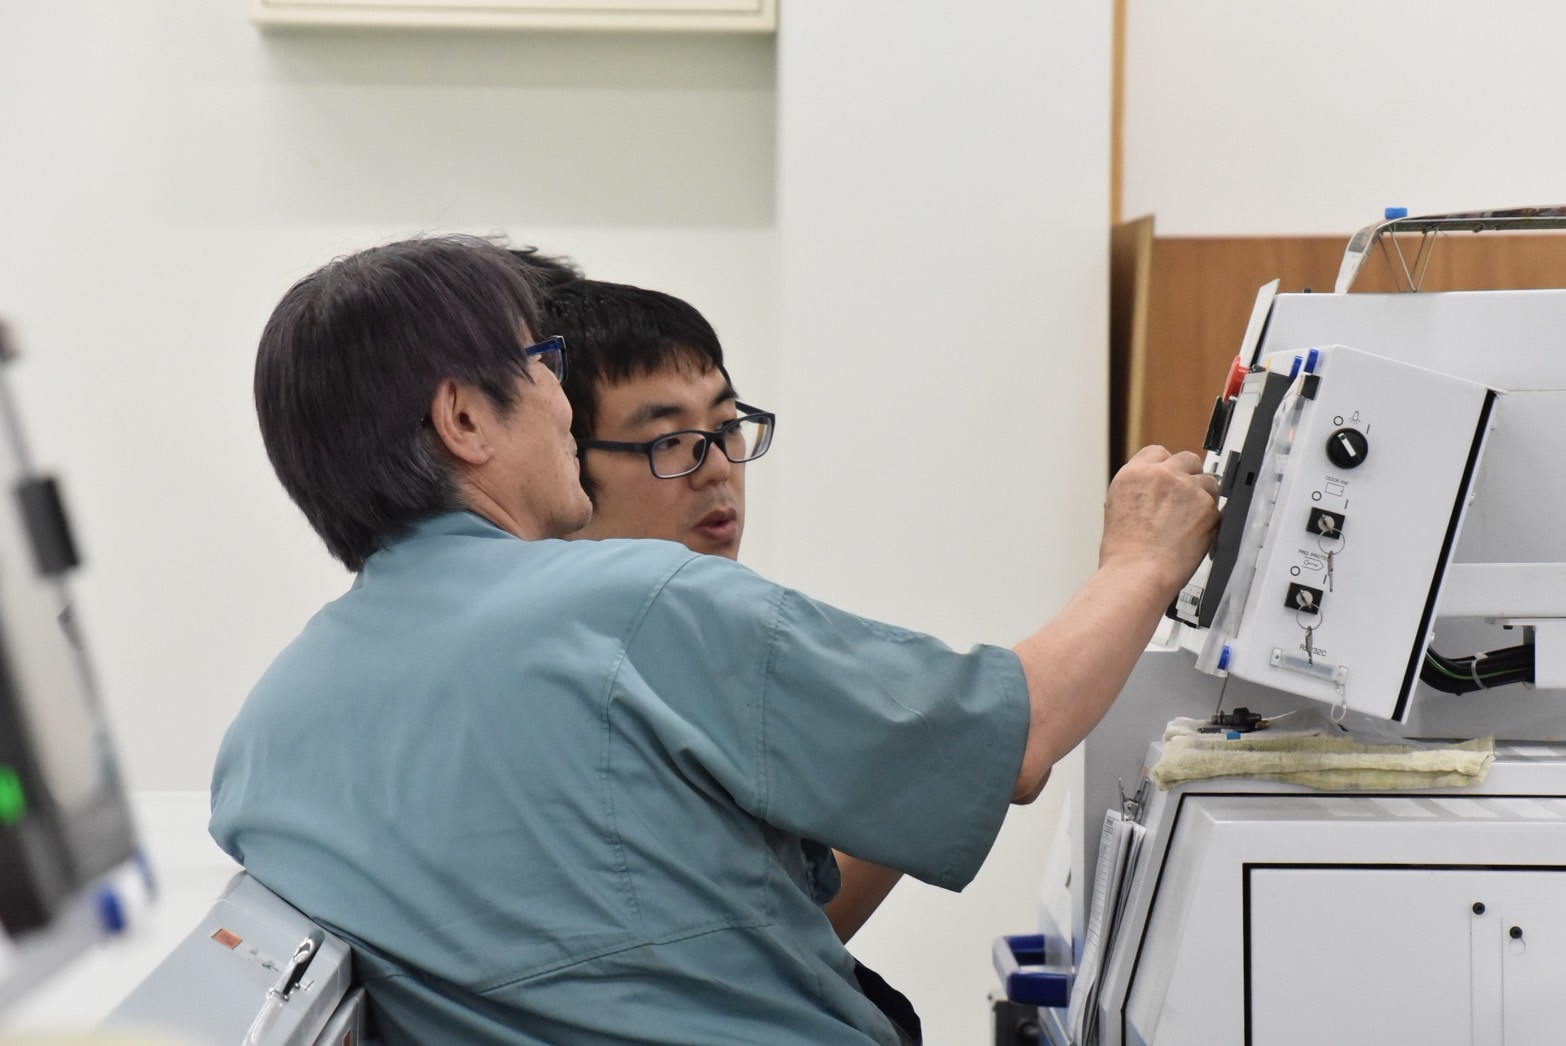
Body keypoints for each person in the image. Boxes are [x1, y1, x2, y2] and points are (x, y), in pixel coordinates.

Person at [210, 234, 1219, 1045]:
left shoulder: (260, 746)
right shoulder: (643, 603)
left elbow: (658, 951)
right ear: (466, 417)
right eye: (543, 364)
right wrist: (1141, 558)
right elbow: (1021, 735)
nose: (561, 399)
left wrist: (894, 767)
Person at [537, 274, 916, 1034]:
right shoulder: (562, 672)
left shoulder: (705, 633)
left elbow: (756, 953)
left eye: (726, 427)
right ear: (560, 461)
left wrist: (910, 774)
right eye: (669, 440)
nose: (716, 468)